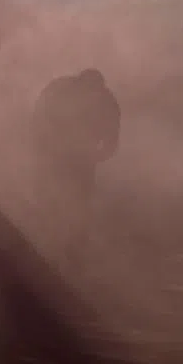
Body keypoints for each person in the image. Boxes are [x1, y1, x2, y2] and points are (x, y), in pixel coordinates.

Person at [31, 68, 120, 271]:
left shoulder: (106, 102)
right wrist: (42, 150)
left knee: (79, 205)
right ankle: (45, 250)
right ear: (77, 84)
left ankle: (75, 255)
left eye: (93, 93)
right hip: (52, 156)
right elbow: (37, 120)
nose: (89, 97)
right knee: (49, 202)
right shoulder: (57, 91)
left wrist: (97, 156)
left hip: (82, 161)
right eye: (86, 92)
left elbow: (112, 138)